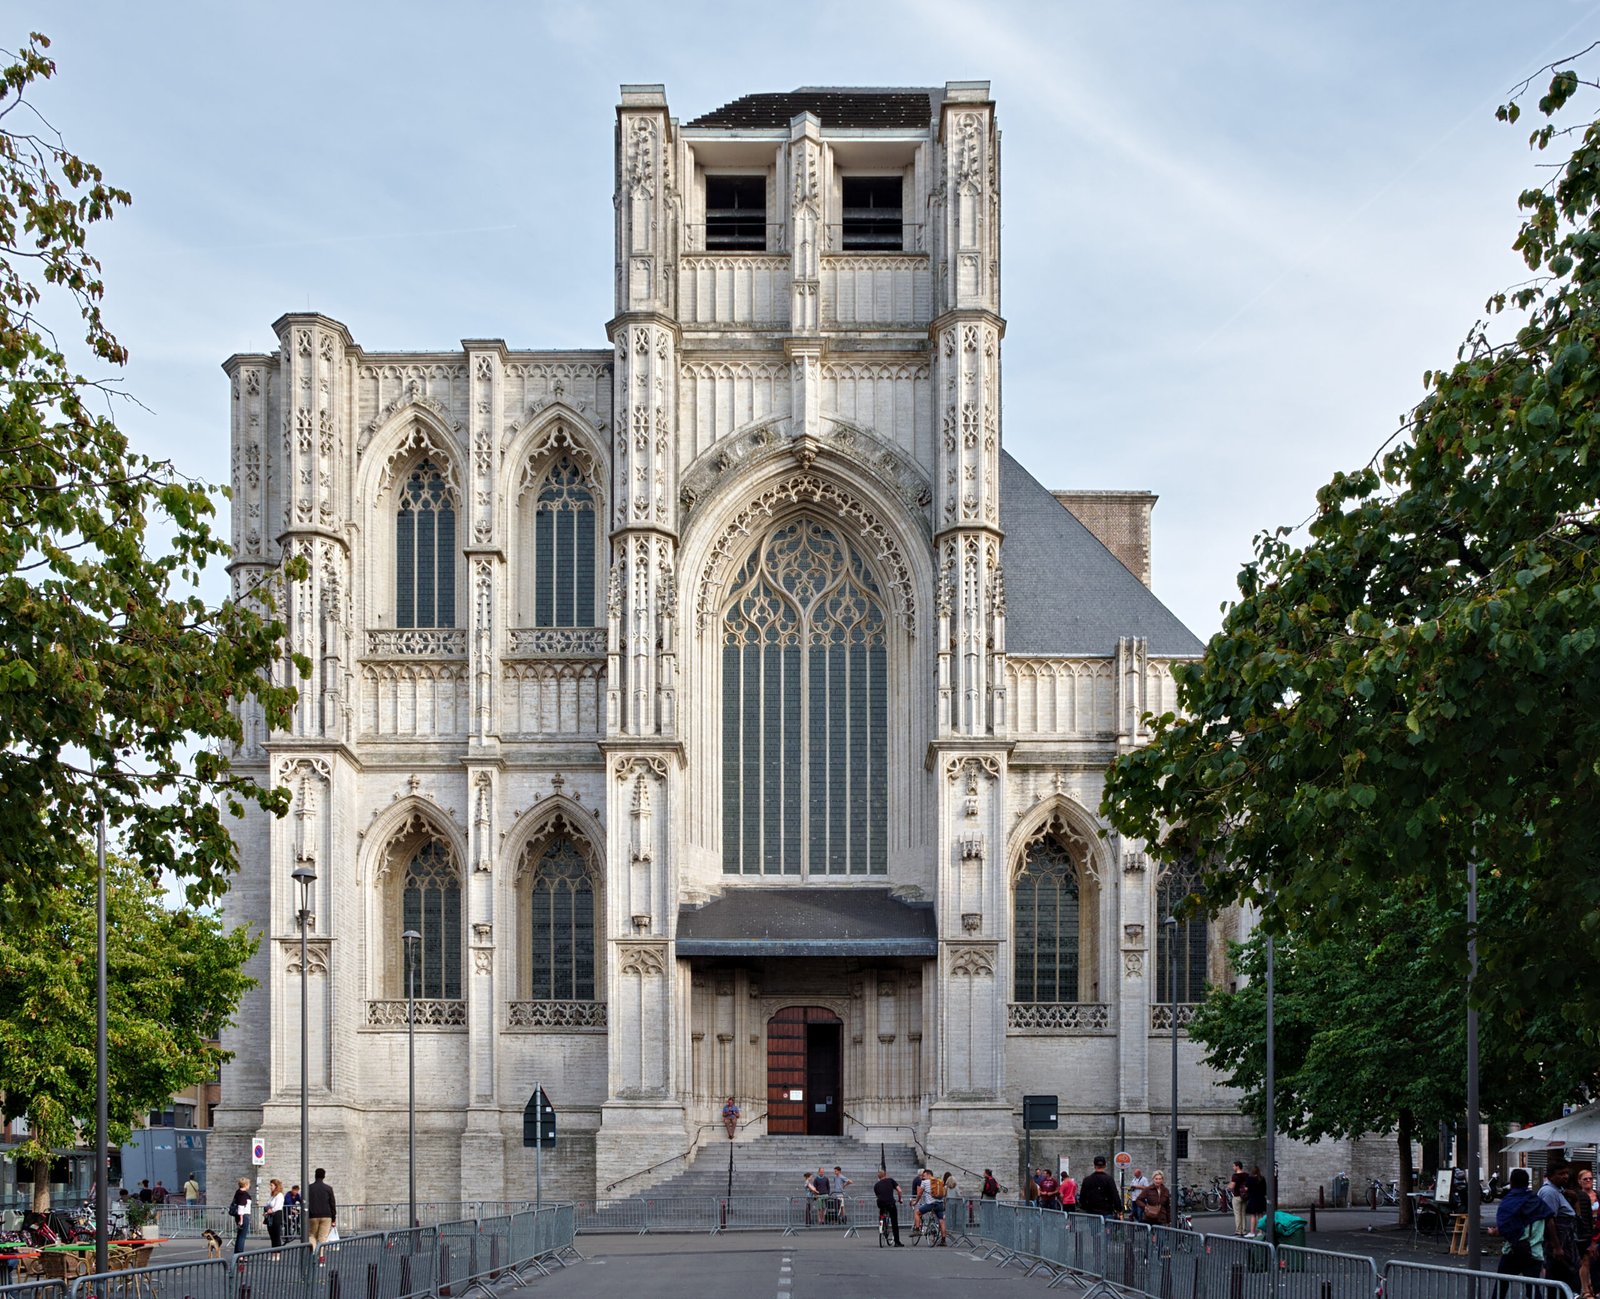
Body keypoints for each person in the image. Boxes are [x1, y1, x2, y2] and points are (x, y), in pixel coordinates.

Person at [1497, 1168, 1553, 1285]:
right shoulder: (1537, 1202)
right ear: (1527, 1183)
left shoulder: (1507, 1202)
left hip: (1512, 1251)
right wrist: (1556, 1246)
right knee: (1532, 1289)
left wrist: (1496, 1233)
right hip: (1534, 1252)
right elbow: (1550, 1222)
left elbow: (1504, 1226)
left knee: (1501, 1288)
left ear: (1511, 1182)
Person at [1543, 1160, 1581, 1288]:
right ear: (1550, 1176)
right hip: (1559, 1247)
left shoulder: (1560, 1191)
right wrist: (1557, 1247)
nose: (1565, 1176)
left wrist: (1574, 1200)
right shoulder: (1549, 1192)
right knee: (1561, 1282)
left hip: (1568, 1244)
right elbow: (1549, 1220)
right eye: (1561, 1174)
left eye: (1566, 1173)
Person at [873, 1168, 904, 1246]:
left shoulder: (876, 1185)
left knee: (882, 1213)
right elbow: (899, 1190)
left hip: (881, 1203)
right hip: (890, 1203)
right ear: (885, 1175)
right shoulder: (890, 1180)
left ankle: (882, 1223)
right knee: (894, 1222)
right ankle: (897, 1242)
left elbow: (878, 1195)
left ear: (878, 1177)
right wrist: (900, 1199)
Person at [306, 1168, 337, 1246]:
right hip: (326, 1215)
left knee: (312, 1235)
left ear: (315, 1175)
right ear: (324, 1176)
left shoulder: (309, 1188)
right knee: (322, 1237)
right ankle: (321, 1253)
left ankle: (313, 1251)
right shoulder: (328, 1188)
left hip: (312, 1215)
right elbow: (332, 1204)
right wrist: (333, 1218)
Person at [229, 1177, 252, 1254]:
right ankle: (240, 1254)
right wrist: (241, 1220)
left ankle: (237, 1253)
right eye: (248, 1184)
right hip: (243, 1216)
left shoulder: (238, 1192)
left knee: (239, 1235)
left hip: (239, 1216)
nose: (249, 1185)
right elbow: (241, 1207)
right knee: (242, 1236)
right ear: (245, 1185)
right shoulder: (244, 1194)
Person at [1229, 1161, 1251, 1235]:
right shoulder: (1246, 1175)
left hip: (1237, 1196)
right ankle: (1244, 1230)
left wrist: (1228, 1187)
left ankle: (1238, 1230)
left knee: (1237, 1214)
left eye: (1234, 1166)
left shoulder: (1235, 1176)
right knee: (1243, 1214)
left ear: (1237, 1166)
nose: (1233, 1167)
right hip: (1244, 1196)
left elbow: (1232, 1186)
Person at [1246, 1165, 1268, 1235]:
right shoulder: (1262, 1179)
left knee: (1253, 1216)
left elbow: (1247, 1189)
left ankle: (1252, 1232)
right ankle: (1260, 1232)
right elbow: (1265, 1190)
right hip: (1261, 1199)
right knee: (1260, 1215)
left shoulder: (1250, 1179)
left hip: (1253, 1199)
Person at [265, 1178, 286, 1248]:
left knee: (276, 1235)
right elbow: (267, 1204)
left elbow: (277, 1207)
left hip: (276, 1215)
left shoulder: (279, 1195)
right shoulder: (272, 1195)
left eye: (271, 1185)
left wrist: (270, 1210)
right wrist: (267, 1210)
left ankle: (277, 1252)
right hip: (270, 1216)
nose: (270, 1187)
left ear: (276, 1186)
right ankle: (274, 1251)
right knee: (272, 1235)